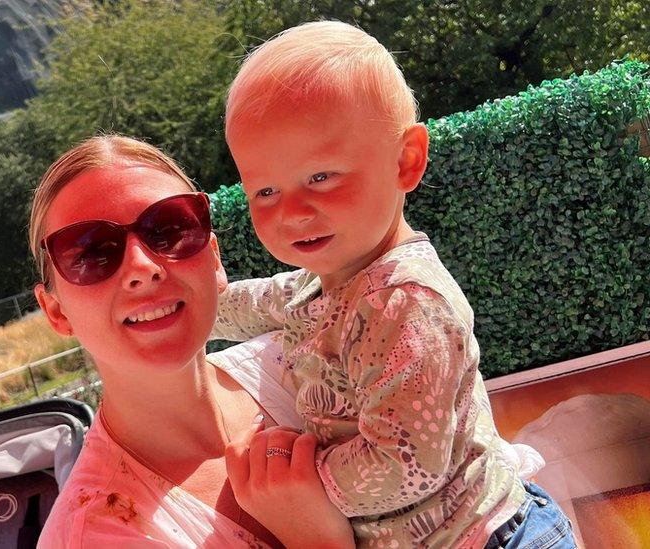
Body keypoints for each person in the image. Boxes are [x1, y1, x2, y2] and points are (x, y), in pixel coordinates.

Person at [213, 21, 575, 548]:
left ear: (406, 160)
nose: (291, 212)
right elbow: (254, 303)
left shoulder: (406, 302)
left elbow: (405, 461)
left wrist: (297, 485)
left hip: (494, 537)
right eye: (265, 191)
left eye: (320, 177)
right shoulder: (320, 284)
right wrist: (202, 302)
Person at [31, 135, 354, 548]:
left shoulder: (306, 365)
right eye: (92, 252)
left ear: (215, 258)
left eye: (169, 229)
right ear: (56, 310)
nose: (143, 267)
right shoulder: (91, 534)